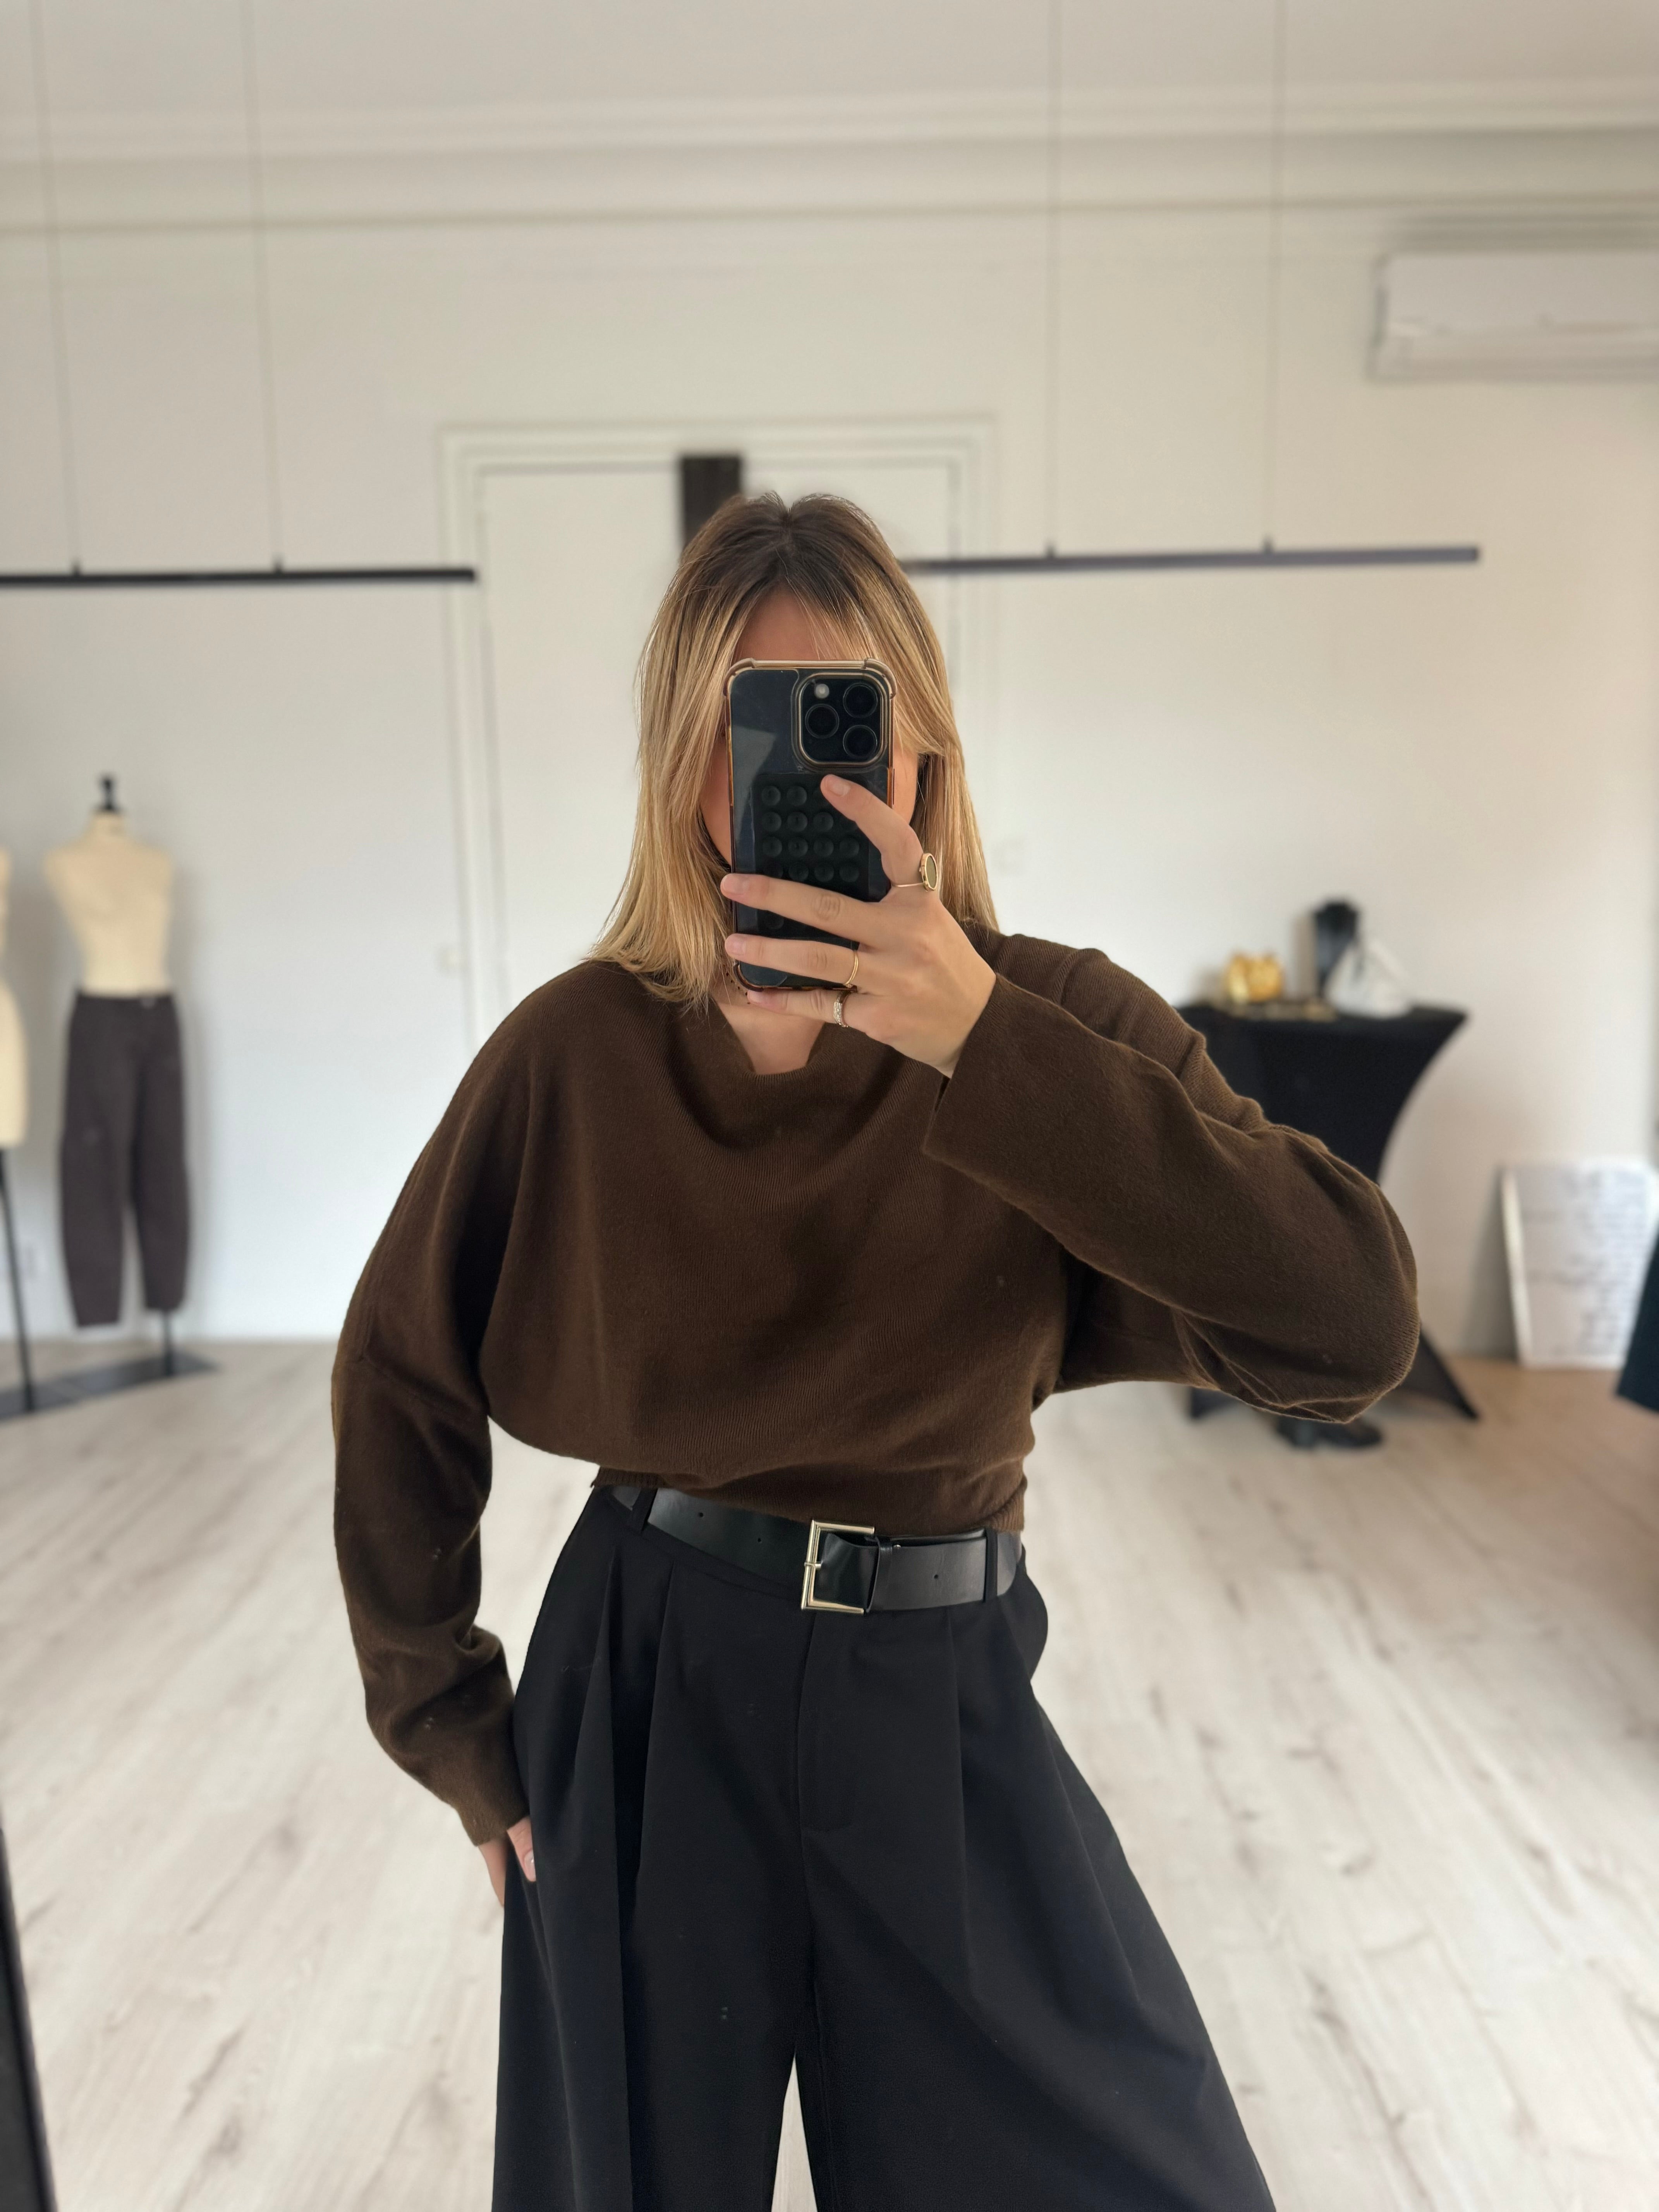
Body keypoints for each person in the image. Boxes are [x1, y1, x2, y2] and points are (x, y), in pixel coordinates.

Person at [332, 493, 1419, 2212]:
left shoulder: (1051, 1022)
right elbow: (398, 1371)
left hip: (940, 1680)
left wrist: (980, 1039)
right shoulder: (580, 1049)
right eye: (743, 728)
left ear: (919, 751)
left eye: (840, 721)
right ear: (680, 763)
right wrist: (452, 1726)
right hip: (650, 1681)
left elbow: (1353, 1324)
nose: (793, 778)